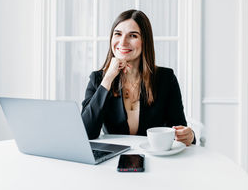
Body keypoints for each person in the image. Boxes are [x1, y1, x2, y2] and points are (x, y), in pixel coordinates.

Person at [81, 9, 195, 146]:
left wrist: (189, 135)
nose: (123, 42)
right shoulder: (98, 79)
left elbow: (180, 130)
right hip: (113, 160)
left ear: (144, 41)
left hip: (156, 159)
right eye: (117, 34)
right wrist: (108, 78)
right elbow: (86, 132)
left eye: (133, 36)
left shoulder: (166, 78)